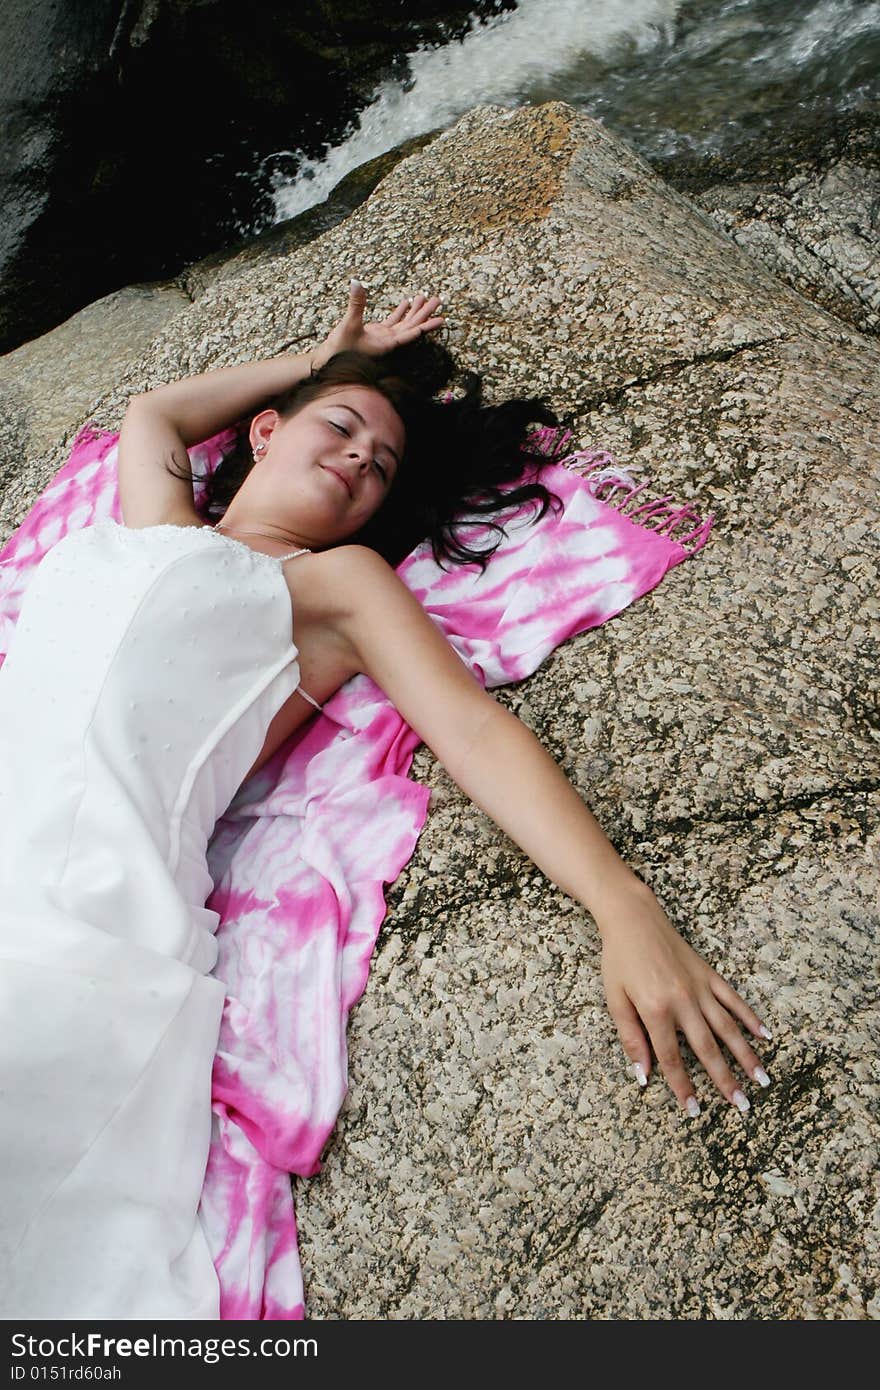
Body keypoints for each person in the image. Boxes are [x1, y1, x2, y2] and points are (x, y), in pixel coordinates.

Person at [0, 281, 771, 1319]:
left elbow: (473, 731)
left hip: (76, 904)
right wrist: (327, 353)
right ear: (264, 429)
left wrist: (620, 902)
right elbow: (156, 414)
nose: (362, 457)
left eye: (383, 464)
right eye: (341, 426)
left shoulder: (331, 589)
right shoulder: (152, 523)